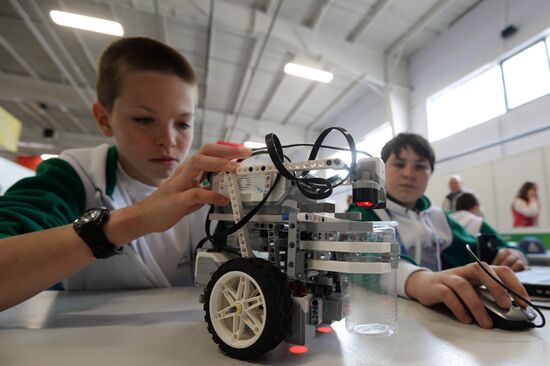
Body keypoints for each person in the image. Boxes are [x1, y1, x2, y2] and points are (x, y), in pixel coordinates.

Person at [0, 37, 251, 311]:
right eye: (144, 119)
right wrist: (133, 221)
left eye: (183, 123)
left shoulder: (215, 190)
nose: (168, 140)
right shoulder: (72, 175)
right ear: (104, 120)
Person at [348, 133, 529, 328]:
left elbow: (482, 248)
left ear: (430, 173)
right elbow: (365, 258)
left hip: (438, 318)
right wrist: (418, 281)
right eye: (399, 164)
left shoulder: (438, 217)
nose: (408, 173)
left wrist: (510, 254)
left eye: (420, 166)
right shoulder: (363, 212)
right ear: (380, 171)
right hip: (383, 317)